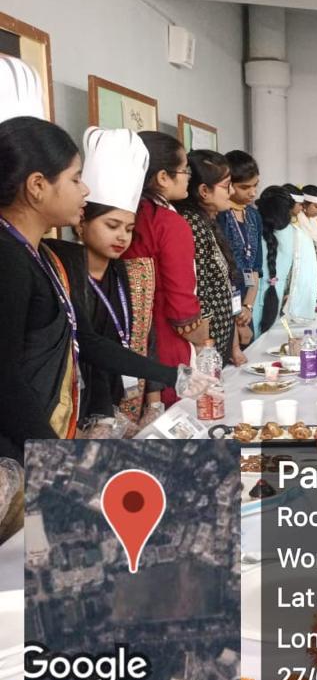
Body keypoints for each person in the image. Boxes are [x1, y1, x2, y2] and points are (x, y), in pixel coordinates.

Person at [0, 110, 211, 462]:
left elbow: (86, 339)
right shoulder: (8, 259)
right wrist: (56, 458)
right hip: (23, 449)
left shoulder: (49, 257)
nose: (84, 190)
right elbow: (6, 380)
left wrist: (173, 375)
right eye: (75, 179)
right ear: (37, 186)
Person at [46, 127, 168, 428]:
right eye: (112, 225)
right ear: (81, 224)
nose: (122, 237)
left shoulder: (134, 274)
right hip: (79, 409)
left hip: (130, 399)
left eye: (129, 229)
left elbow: (147, 338)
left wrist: (154, 402)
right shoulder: (61, 274)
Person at [123, 131, 209, 405]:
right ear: (162, 177)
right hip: (166, 341)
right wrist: (200, 337)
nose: (188, 177)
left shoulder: (129, 214)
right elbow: (181, 305)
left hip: (126, 338)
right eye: (185, 170)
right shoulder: (168, 223)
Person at [177, 150, 245, 366]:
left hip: (217, 343)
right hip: (205, 348)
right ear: (204, 191)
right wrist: (205, 351)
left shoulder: (205, 221)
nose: (231, 192)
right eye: (226, 186)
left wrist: (234, 346)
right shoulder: (192, 224)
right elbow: (200, 293)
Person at [252, 185, 317, 332]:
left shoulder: (251, 230)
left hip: (249, 298)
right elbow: (308, 276)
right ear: (288, 210)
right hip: (277, 294)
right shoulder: (298, 235)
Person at [217, 150, 262, 347]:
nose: (252, 193)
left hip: (245, 304)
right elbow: (220, 275)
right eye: (244, 187)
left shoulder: (253, 216)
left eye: (255, 185)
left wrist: (248, 307)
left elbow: (255, 268)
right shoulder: (219, 215)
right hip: (224, 306)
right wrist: (237, 317)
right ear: (228, 185)